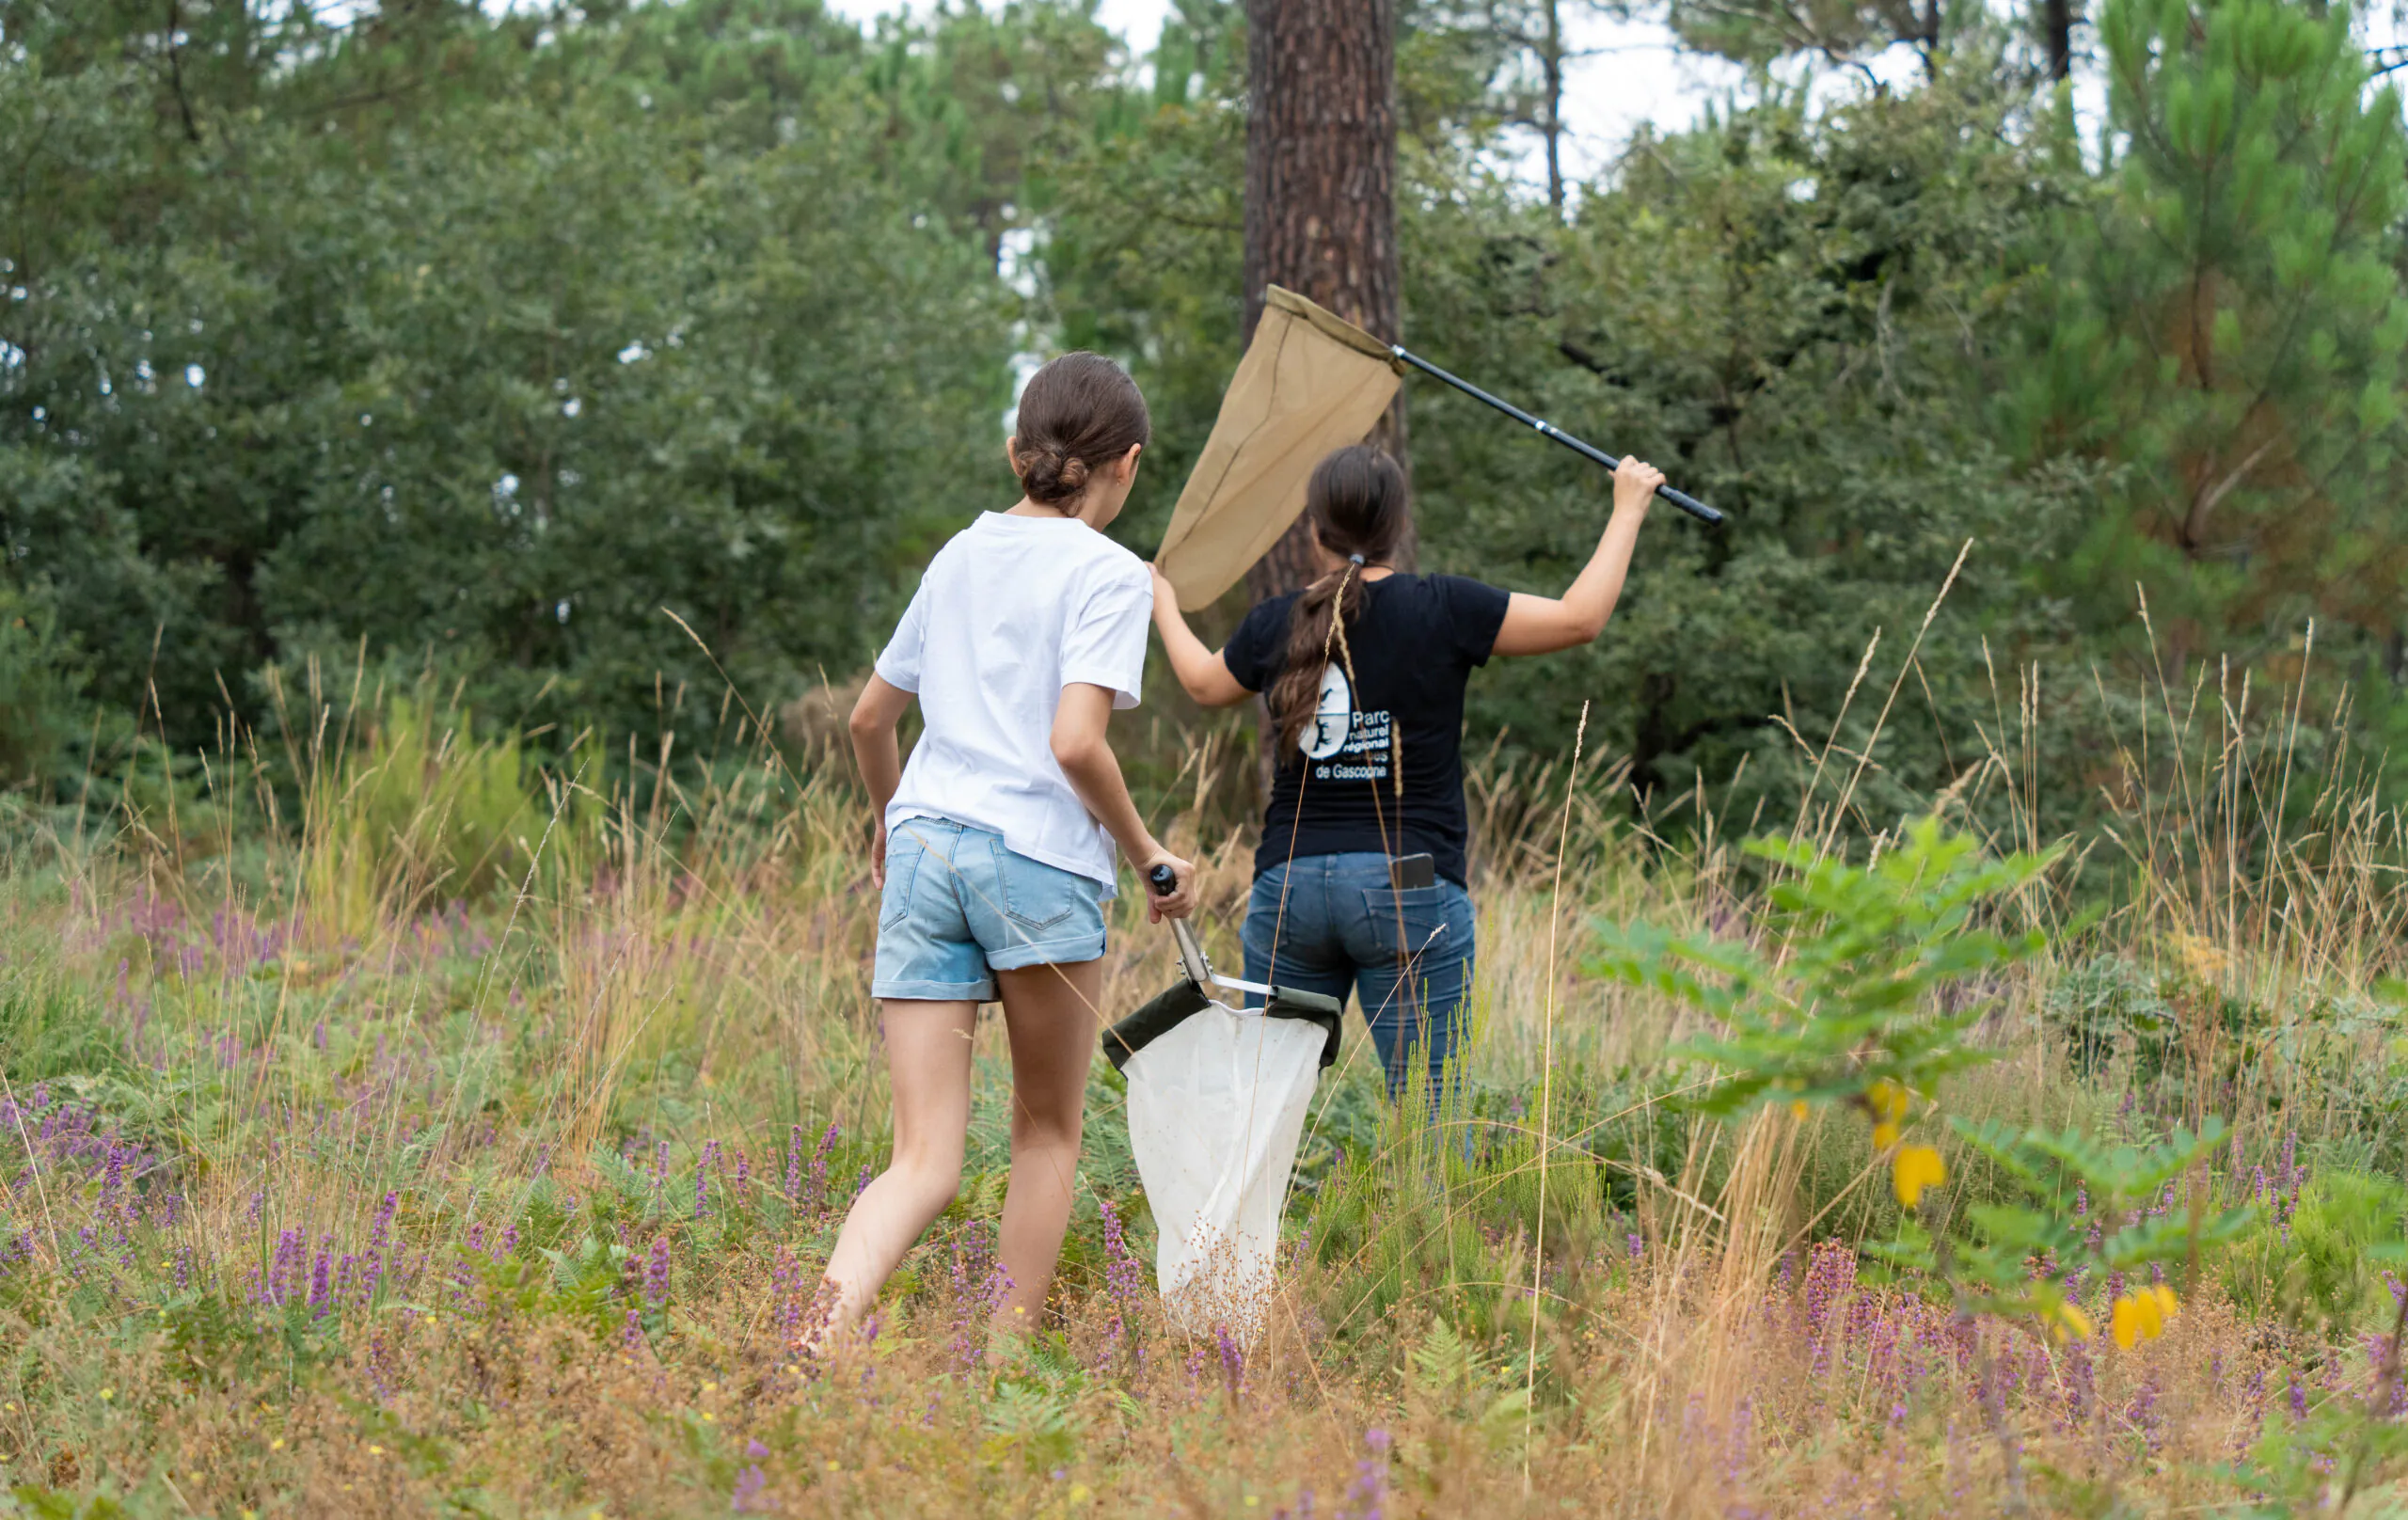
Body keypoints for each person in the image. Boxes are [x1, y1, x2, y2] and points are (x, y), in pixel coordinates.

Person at [824, 352, 1197, 1344]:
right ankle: (1000, 1376)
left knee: (921, 1162)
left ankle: (805, 1339)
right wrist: (1149, 850)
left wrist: (890, 817)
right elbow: (1074, 741)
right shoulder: (1112, 574)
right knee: (1045, 1133)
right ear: (1124, 462)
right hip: (1035, 862)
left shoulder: (957, 555)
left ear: (1014, 451)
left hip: (925, 847)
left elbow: (870, 719)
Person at [1149, 444, 1662, 1104]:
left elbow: (1199, 681)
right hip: (1406, 875)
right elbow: (1580, 617)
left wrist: (1161, 596)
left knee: (1262, 1108)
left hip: (1290, 888)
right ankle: (1427, 1208)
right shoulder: (1442, 607)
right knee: (1430, 1109)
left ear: (1313, 528)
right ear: (1399, 523)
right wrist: (1627, 508)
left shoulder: (1277, 621)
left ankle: (1236, 1211)